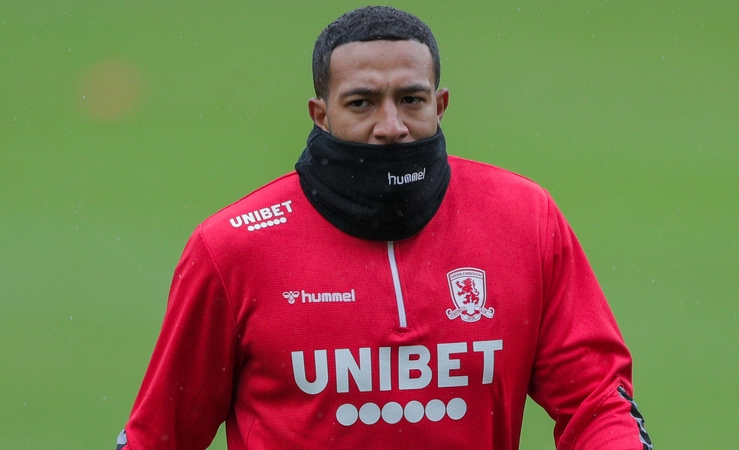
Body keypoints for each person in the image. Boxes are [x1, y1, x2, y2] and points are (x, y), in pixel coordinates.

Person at [115, 6, 652, 450]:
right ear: (320, 114)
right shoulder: (233, 248)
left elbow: (595, 400)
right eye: (362, 103)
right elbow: (159, 436)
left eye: (411, 99)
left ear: (440, 105)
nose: (391, 127)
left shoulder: (524, 219)